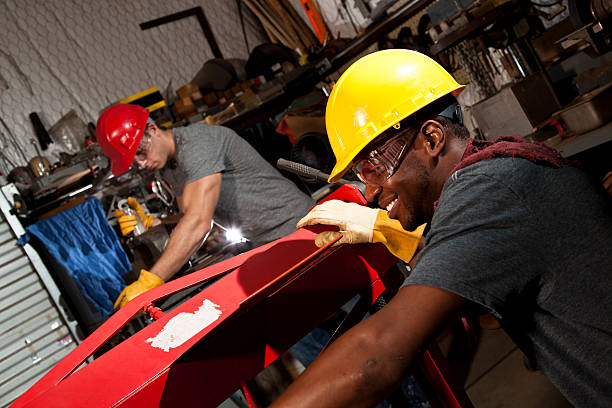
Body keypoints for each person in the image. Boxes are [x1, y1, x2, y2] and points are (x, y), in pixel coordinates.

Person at [270, 50, 612, 407]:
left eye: (373, 166)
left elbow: (374, 359)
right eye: (361, 174)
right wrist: (396, 231)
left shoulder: (489, 192)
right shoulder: (500, 166)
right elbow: (486, 313)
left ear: (431, 139)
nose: (370, 192)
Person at [96, 104, 315, 308]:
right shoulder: (169, 167)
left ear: (153, 130)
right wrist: (156, 221)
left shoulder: (196, 144)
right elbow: (189, 214)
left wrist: (151, 281)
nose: (142, 163)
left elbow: (199, 223)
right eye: (135, 161)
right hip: (267, 243)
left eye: (141, 152)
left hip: (298, 227)